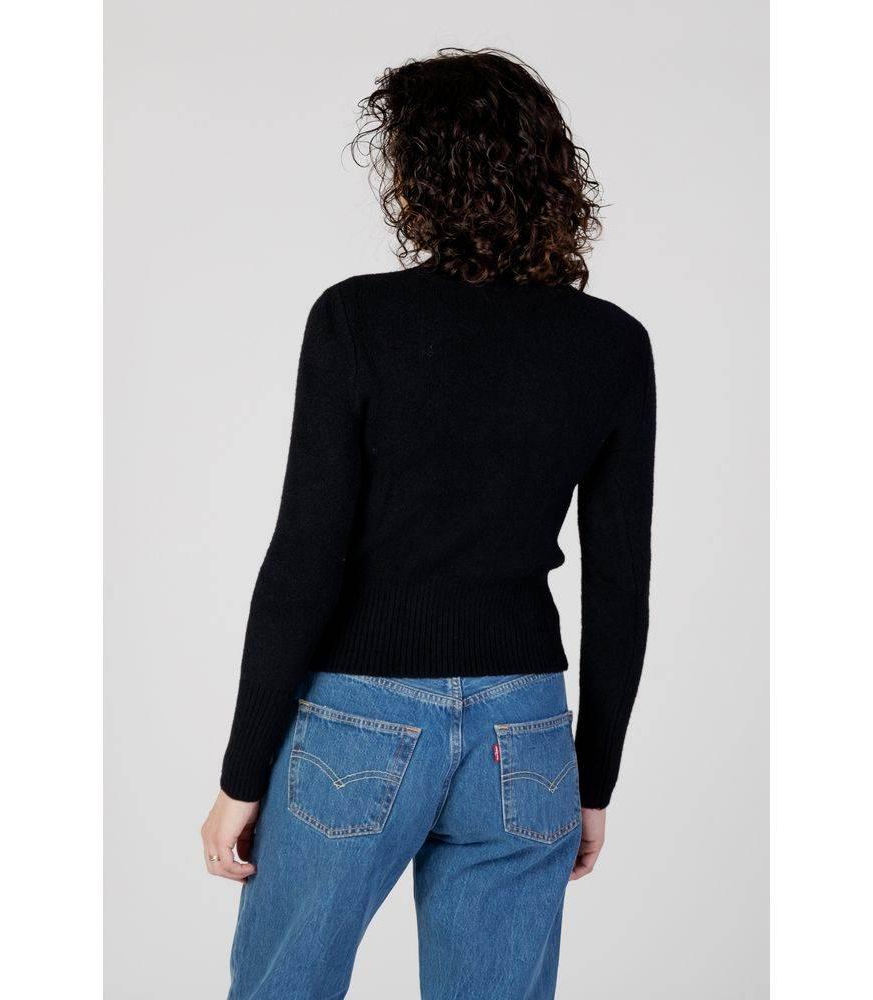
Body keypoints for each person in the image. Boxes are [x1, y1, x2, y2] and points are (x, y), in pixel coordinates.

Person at [202, 48, 656, 1000]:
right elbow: (620, 585)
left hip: (358, 723)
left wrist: (243, 775)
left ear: (420, 177)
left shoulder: (357, 319)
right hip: (525, 733)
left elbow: (305, 555)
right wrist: (592, 780)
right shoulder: (613, 344)